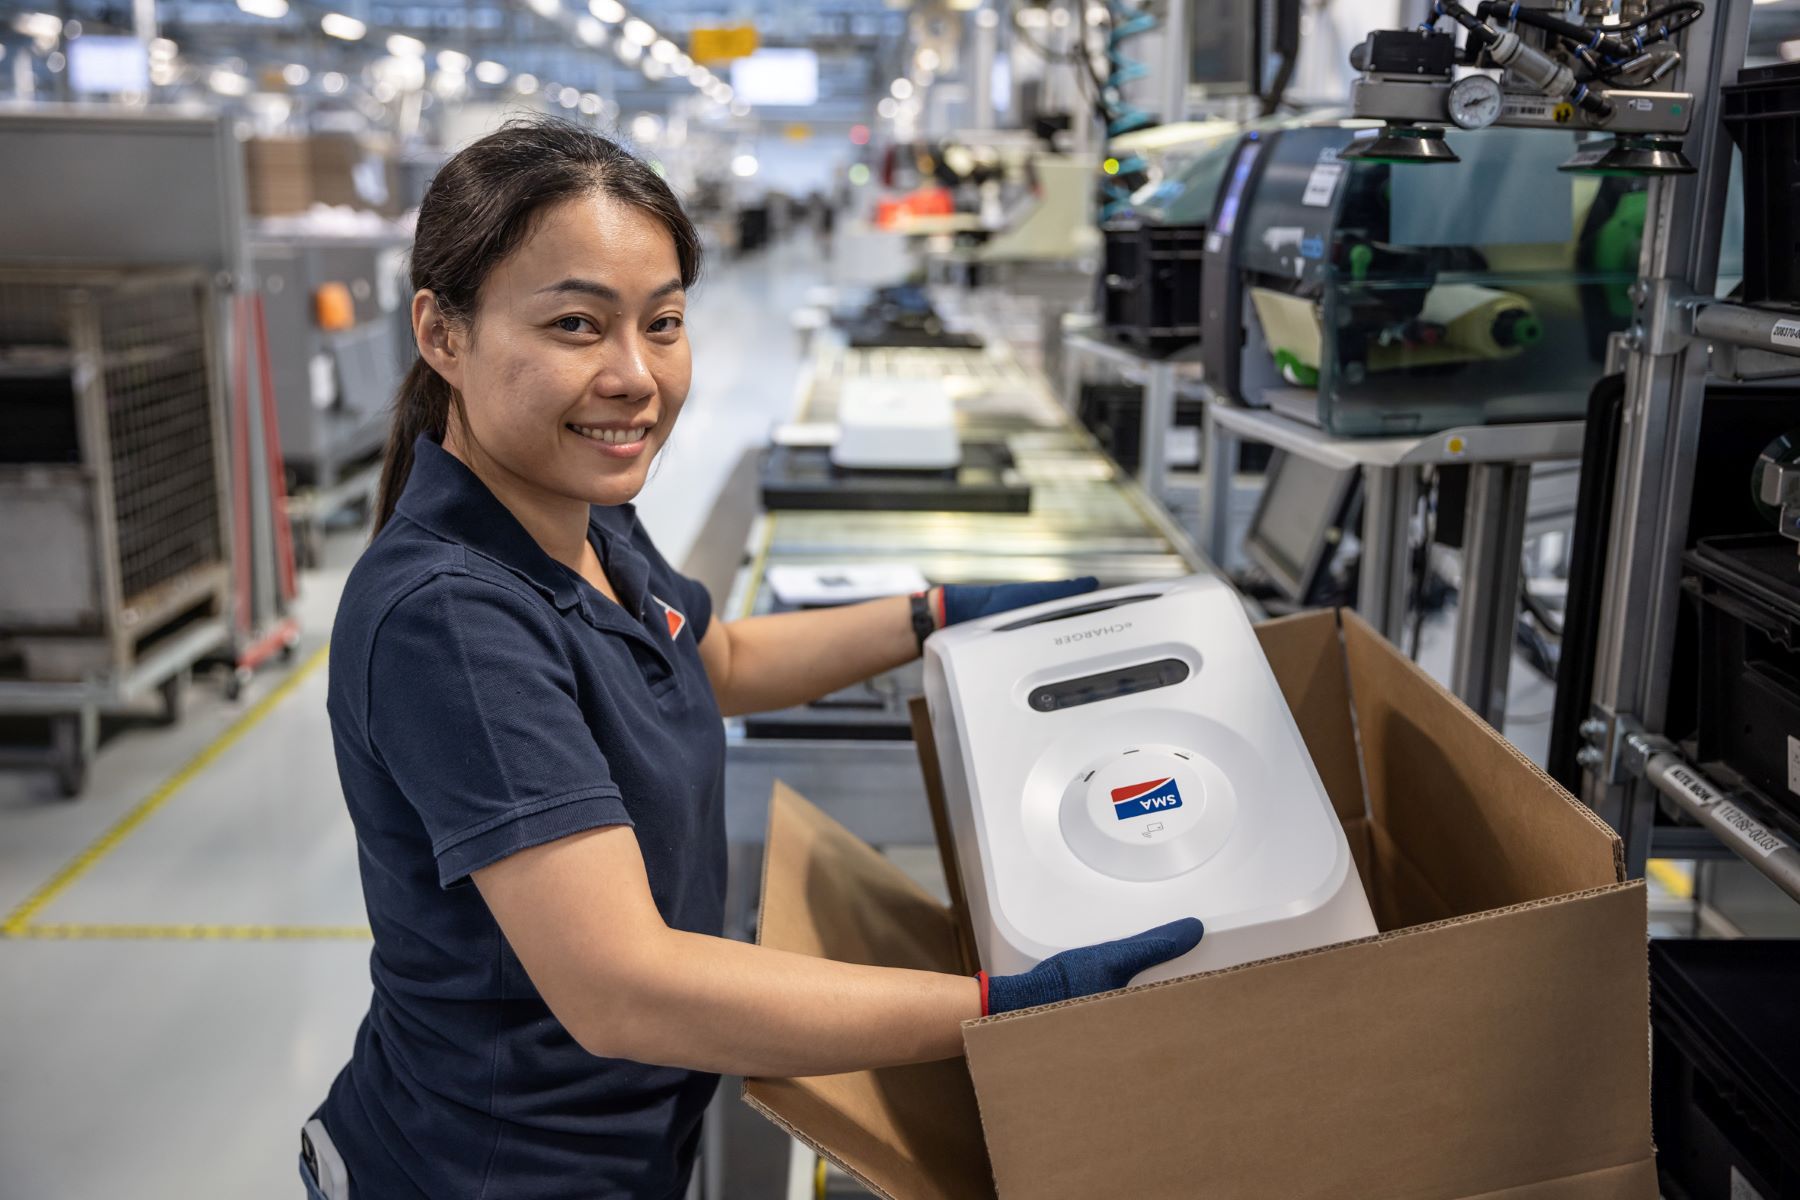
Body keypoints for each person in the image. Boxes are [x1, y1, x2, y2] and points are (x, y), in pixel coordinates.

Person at [303, 117, 1202, 1200]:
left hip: (617, 1141)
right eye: (578, 325)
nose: (634, 376)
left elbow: (712, 657)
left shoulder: (577, 507)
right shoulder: (449, 618)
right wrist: (997, 1013)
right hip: (491, 1169)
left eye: (664, 322)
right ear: (442, 335)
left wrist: (933, 616)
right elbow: (625, 990)